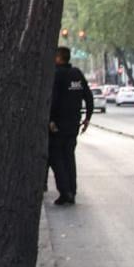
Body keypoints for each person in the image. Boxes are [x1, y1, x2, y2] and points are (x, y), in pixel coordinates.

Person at [47, 46, 93, 206]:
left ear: (59, 58)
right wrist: (87, 117)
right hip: (73, 123)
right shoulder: (77, 74)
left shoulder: (57, 74)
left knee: (55, 157)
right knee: (69, 156)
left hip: (59, 124)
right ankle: (72, 190)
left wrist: (51, 119)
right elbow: (88, 95)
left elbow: (54, 99)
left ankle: (65, 191)